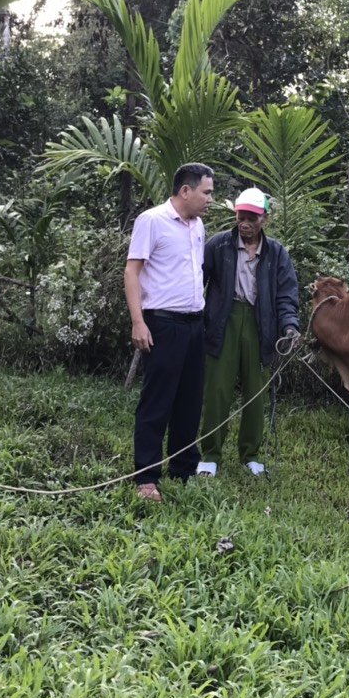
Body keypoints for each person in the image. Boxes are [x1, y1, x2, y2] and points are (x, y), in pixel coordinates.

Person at [124, 163, 215, 502]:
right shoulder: (152, 221)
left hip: (194, 324)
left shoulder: (198, 225)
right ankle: (146, 477)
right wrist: (138, 321)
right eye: (206, 192)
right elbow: (132, 272)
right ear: (185, 191)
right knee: (157, 401)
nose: (210, 200)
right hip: (162, 323)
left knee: (190, 401)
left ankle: (183, 468)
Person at [198, 187, 301, 478]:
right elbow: (198, 282)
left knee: (256, 392)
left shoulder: (276, 252)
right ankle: (210, 454)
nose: (245, 223)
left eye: (252, 218)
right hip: (224, 319)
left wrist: (290, 325)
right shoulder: (218, 245)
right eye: (241, 216)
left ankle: (250, 454)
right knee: (218, 389)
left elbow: (286, 294)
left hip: (260, 322)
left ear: (264, 219)